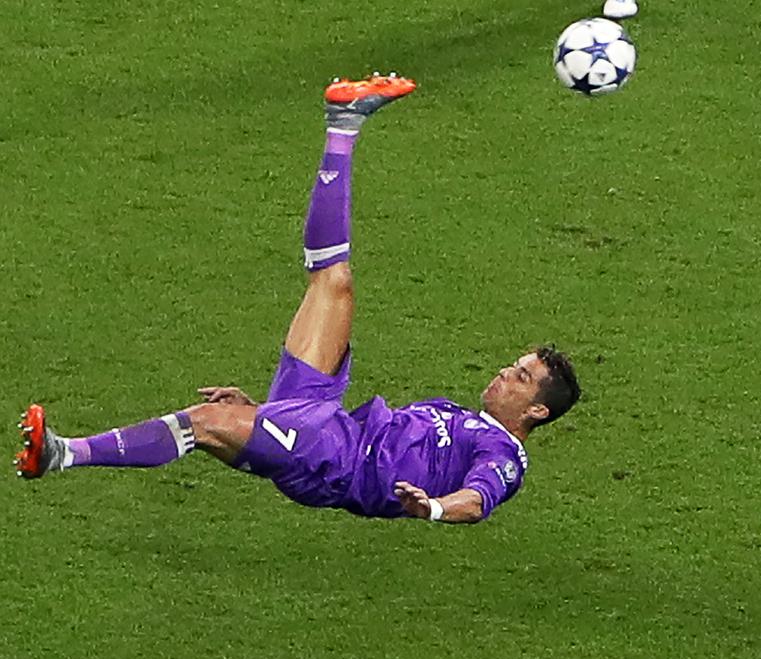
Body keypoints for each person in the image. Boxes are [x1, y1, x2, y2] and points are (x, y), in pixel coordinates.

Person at [14, 73, 581, 525]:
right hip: (327, 418)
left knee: (205, 421)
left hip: (337, 462)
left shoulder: (504, 458)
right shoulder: (464, 415)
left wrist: (432, 507)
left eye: (522, 378)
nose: (506, 374)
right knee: (333, 281)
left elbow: (477, 502)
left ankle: (62, 453)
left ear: (536, 411)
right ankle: (343, 122)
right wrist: (265, 413)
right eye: (515, 365)